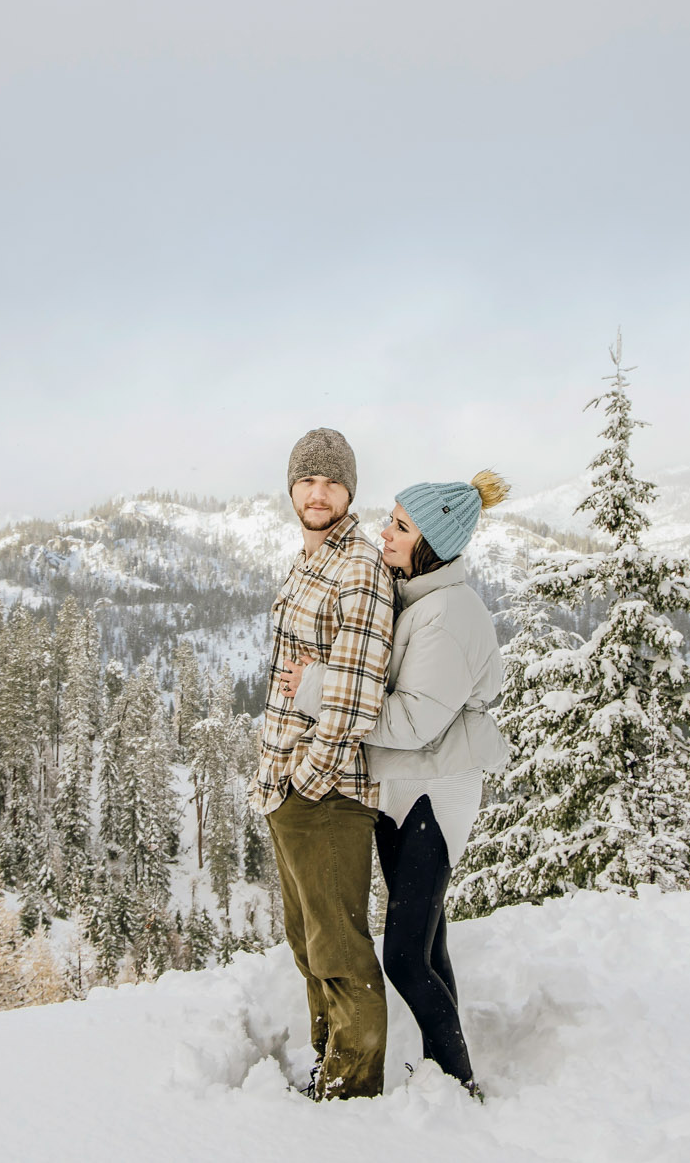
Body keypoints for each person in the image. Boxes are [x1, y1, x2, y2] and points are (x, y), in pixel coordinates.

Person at [283, 470, 510, 1094]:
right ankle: (448, 1066)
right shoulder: (420, 597)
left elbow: (410, 720)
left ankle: (460, 1080)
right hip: (408, 790)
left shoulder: (447, 615)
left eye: (401, 528)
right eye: (390, 519)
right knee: (428, 945)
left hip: (433, 795)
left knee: (405, 955)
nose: (386, 533)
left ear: (430, 543)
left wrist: (316, 691)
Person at [249, 428, 398, 1100]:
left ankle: (354, 1092)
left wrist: (306, 781)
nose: (318, 492)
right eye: (308, 480)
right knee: (309, 945)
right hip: (289, 787)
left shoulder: (358, 567)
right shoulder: (306, 563)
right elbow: (293, 679)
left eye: (332, 482)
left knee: (339, 949)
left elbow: (355, 692)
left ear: (349, 493)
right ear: (292, 488)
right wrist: (277, 783)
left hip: (328, 792)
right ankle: (328, 1062)